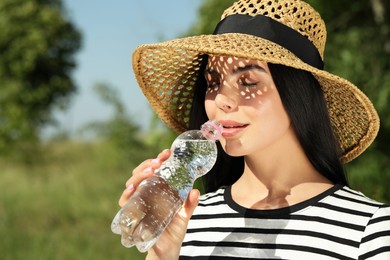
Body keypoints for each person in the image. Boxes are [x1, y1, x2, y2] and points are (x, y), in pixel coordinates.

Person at [118, 0, 390, 259]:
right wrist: (162, 254)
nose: (221, 100)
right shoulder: (186, 219)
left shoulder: (370, 230)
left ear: (297, 93)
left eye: (247, 81)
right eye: (213, 83)